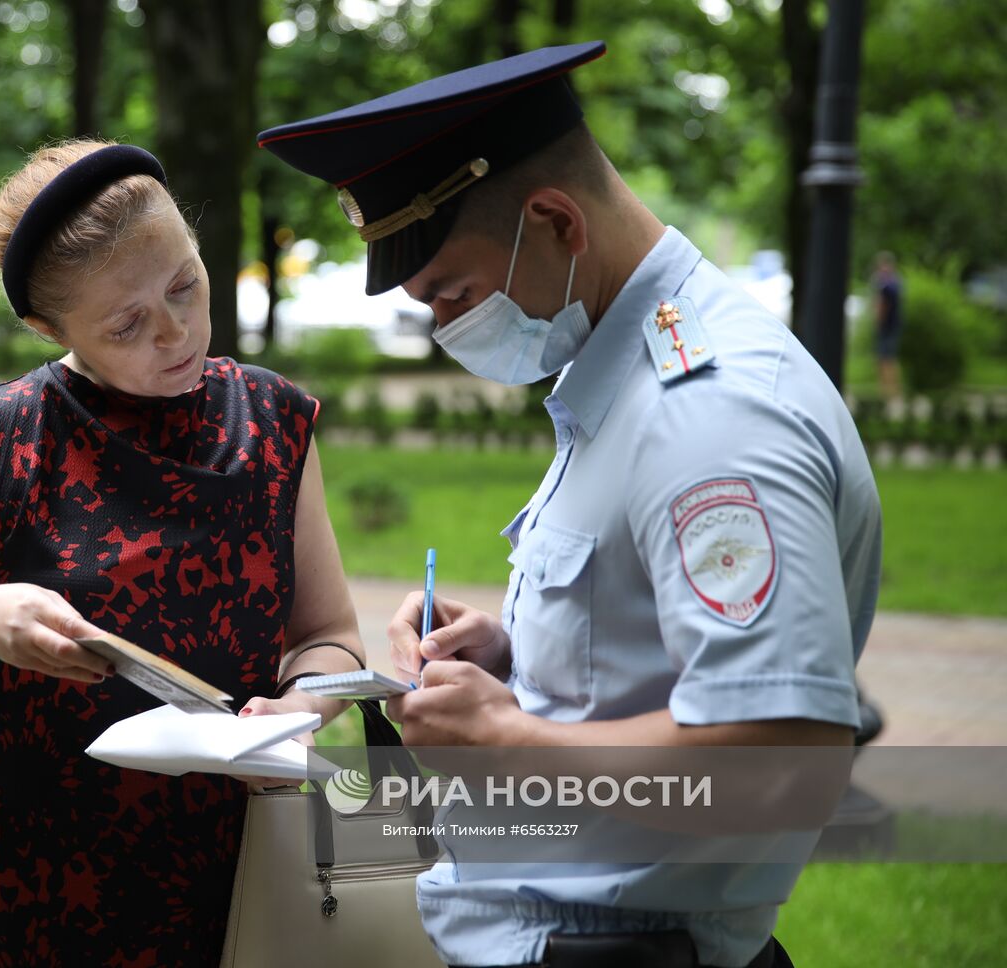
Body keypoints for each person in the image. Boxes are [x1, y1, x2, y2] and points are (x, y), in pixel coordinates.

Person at [259, 42, 881, 968]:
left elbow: (779, 759)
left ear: (554, 221)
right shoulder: (627, 374)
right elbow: (660, 665)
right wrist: (517, 661)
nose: (444, 329)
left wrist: (509, 739)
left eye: (453, 294)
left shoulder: (709, 415)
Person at [0, 139, 366, 966]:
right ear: (46, 327)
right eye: (127, 323)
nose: (174, 333)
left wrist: (303, 704)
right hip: (30, 904)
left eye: (186, 285)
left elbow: (329, 635)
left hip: (238, 891)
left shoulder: (276, 422)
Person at [872, 251, 904, 401]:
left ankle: (888, 391)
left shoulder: (885, 286)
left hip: (886, 326)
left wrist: (878, 320)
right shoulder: (897, 282)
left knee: (885, 359)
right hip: (894, 325)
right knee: (890, 358)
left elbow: (882, 306)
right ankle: (892, 390)